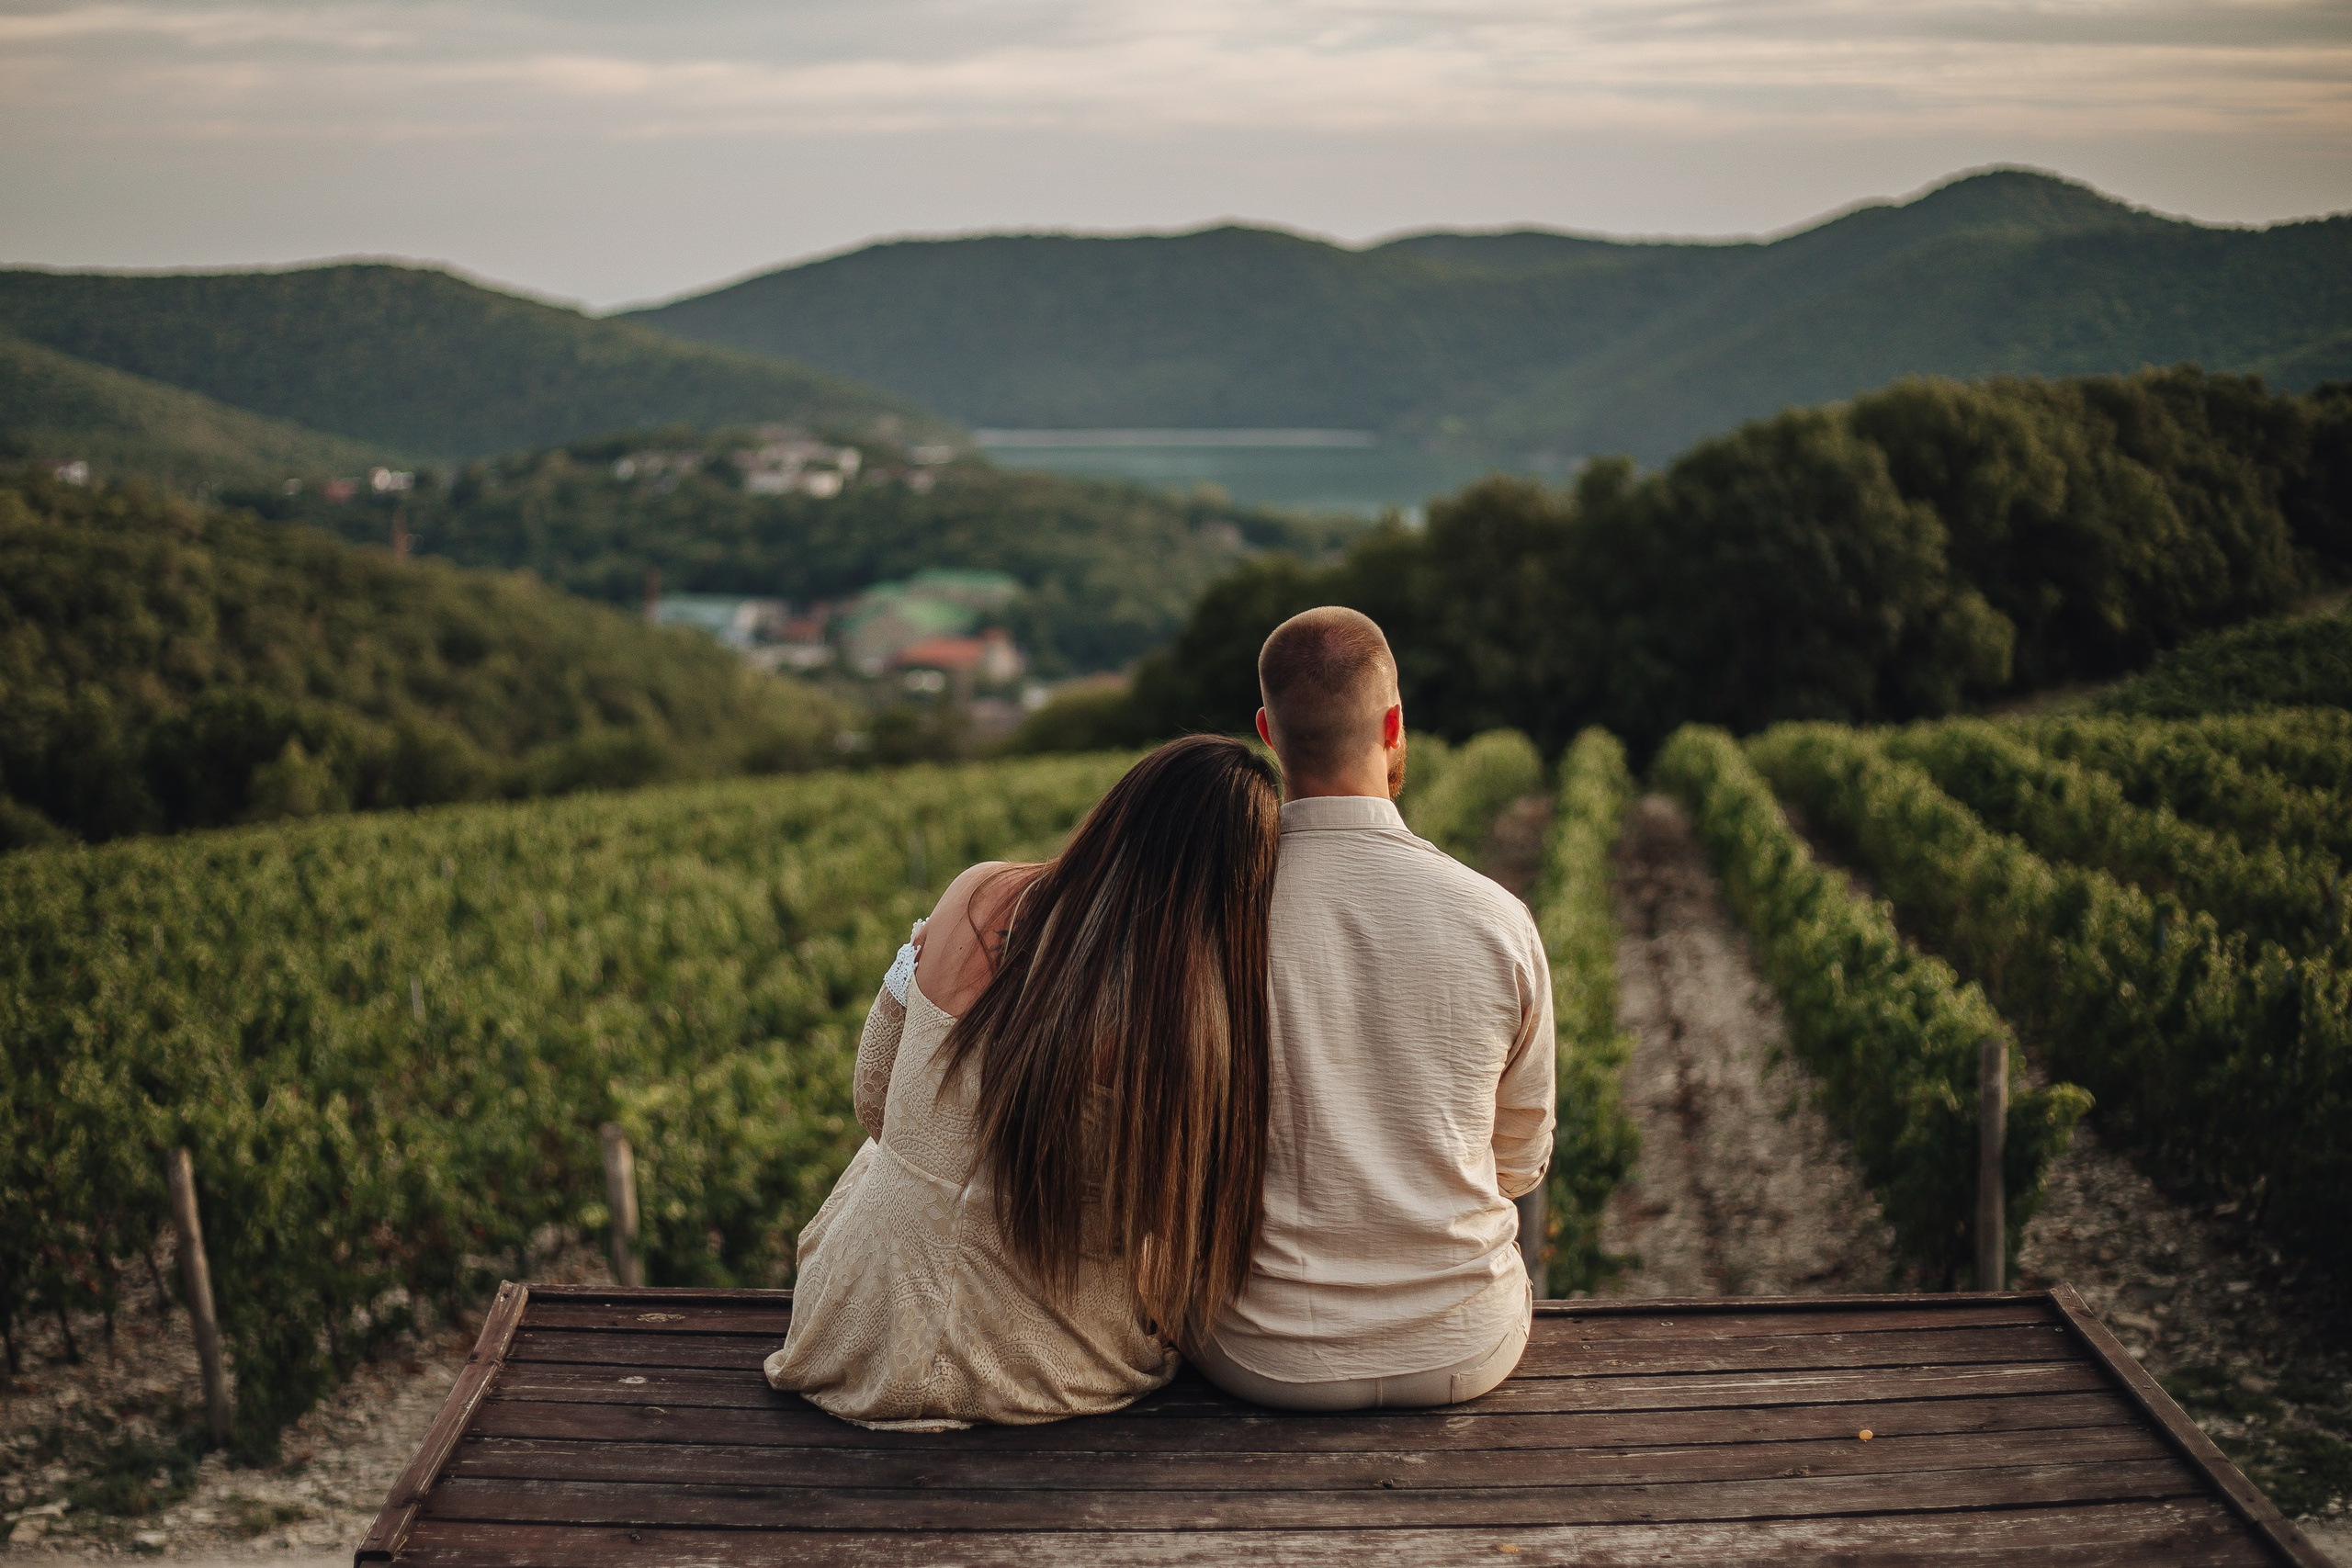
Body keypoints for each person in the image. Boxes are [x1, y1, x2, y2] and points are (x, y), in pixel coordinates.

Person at [765, 735, 1281, 1427]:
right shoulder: (1191, 1017)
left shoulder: (981, 894)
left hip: (858, 1335)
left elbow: (873, 1095)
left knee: (897, 1156)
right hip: (1046, 1370)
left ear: (1120, 813)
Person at [1190, 605, 1556, 1411]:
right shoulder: (1498, 919)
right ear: (1394, 724)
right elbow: (1520, 1162)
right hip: (1469, 1345)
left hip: (1263, 1354)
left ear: (1268, 732)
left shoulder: (1207, 922)